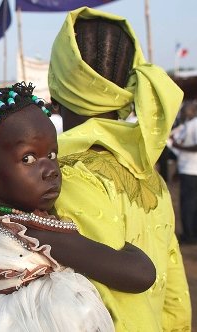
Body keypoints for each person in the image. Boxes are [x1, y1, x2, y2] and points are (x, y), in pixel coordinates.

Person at [0, 83, 156, 331]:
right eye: (28, 159)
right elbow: (140, 275)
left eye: (51, 155)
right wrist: (132, 245)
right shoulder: (35, 232)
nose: (50, 170)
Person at [49, 7, 191, 331]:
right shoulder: (147, 170)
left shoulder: (63, 175)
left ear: (57, 82)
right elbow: (175, 293)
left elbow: (88, 307)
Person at [170, 101, 197, 243]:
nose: (184, 112)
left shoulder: (195, 124)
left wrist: (178, 146)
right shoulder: (188, 124)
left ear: (193, 110)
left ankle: (189, 235)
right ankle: (191, 233)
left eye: (187, 110)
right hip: (187, 169)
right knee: (190, 203)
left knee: (188, 204)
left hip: (192, 170)